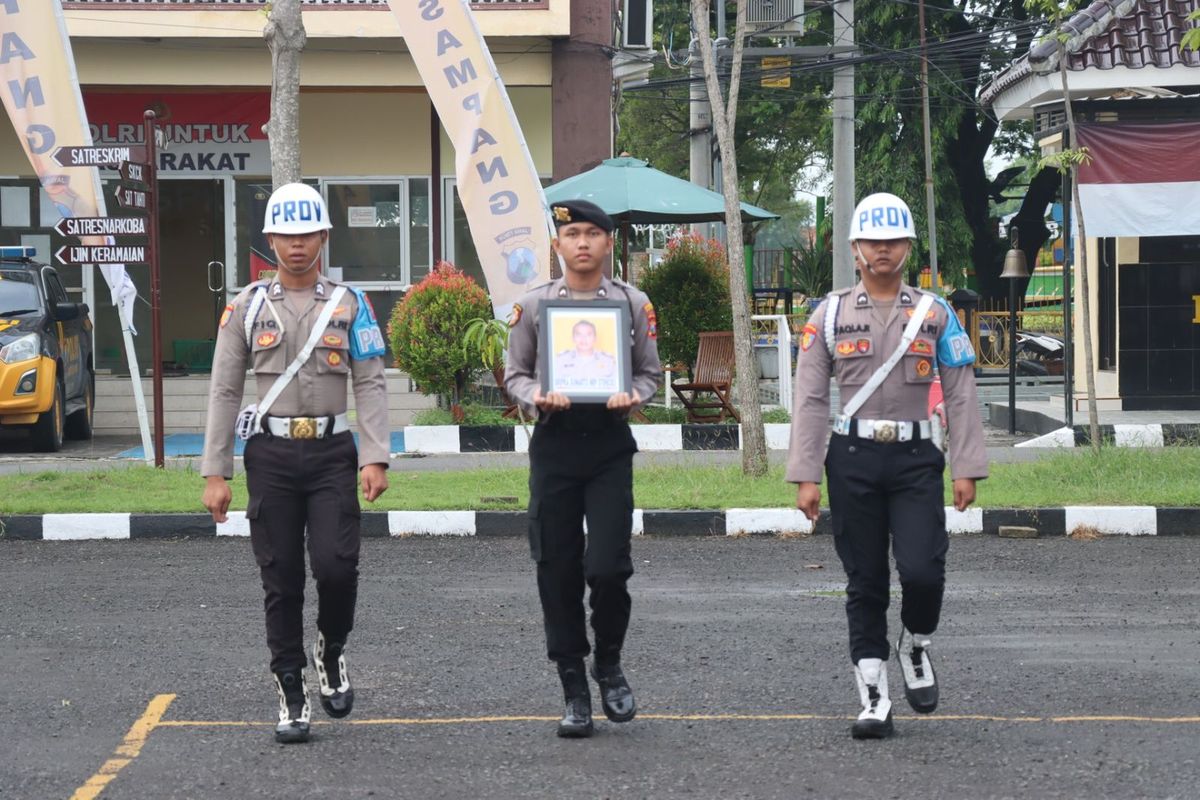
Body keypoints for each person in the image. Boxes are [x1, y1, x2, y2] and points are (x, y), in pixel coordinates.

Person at [786, 192, 987, 740]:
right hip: (850, 459)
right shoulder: (828, 315)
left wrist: (965, 464)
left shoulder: (934, 312)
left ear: (907, 247)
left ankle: (916, 643)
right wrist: (806, 474)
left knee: (923, 570)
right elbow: (809, 400)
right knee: (865, 579)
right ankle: (873, 695)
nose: (882, 249)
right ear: (854, 249)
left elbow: (961, 392)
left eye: (892, 240)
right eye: (872, 241)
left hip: (917, 458)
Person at [200, 182, 390, 744]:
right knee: (280, 578)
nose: (297, 244)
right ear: (270, 240)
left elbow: (372, 381)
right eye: (286, 234)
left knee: (336, 567)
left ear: (324, 236)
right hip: (271, 455)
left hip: (334, 451)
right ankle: (289, 686)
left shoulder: (351, 303)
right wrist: (216, 471)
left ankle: (331, 650)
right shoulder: (246, 307)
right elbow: (223, 390)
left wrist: (375, 456)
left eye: (308, 233)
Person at [505, 198, 662, 738]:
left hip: (609, 446)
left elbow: (650, 374)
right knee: (558, 568)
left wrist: (632, 396)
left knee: (609, 567)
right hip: (555, 445)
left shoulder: (633, 304)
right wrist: (538, 396)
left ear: (608, 243)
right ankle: (573, 684)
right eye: (573, 234)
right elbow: (514, 374)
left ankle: (609, 663)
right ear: (557, 244)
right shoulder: (534, 306)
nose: (583, 243)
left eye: (594, 233)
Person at [552, 319, 618, 390]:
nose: (583, 339)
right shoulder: (560, 360)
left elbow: (615, 389)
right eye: (579, 334)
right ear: (573, 338)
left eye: (588, 335)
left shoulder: (608, 361)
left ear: (595, 338)